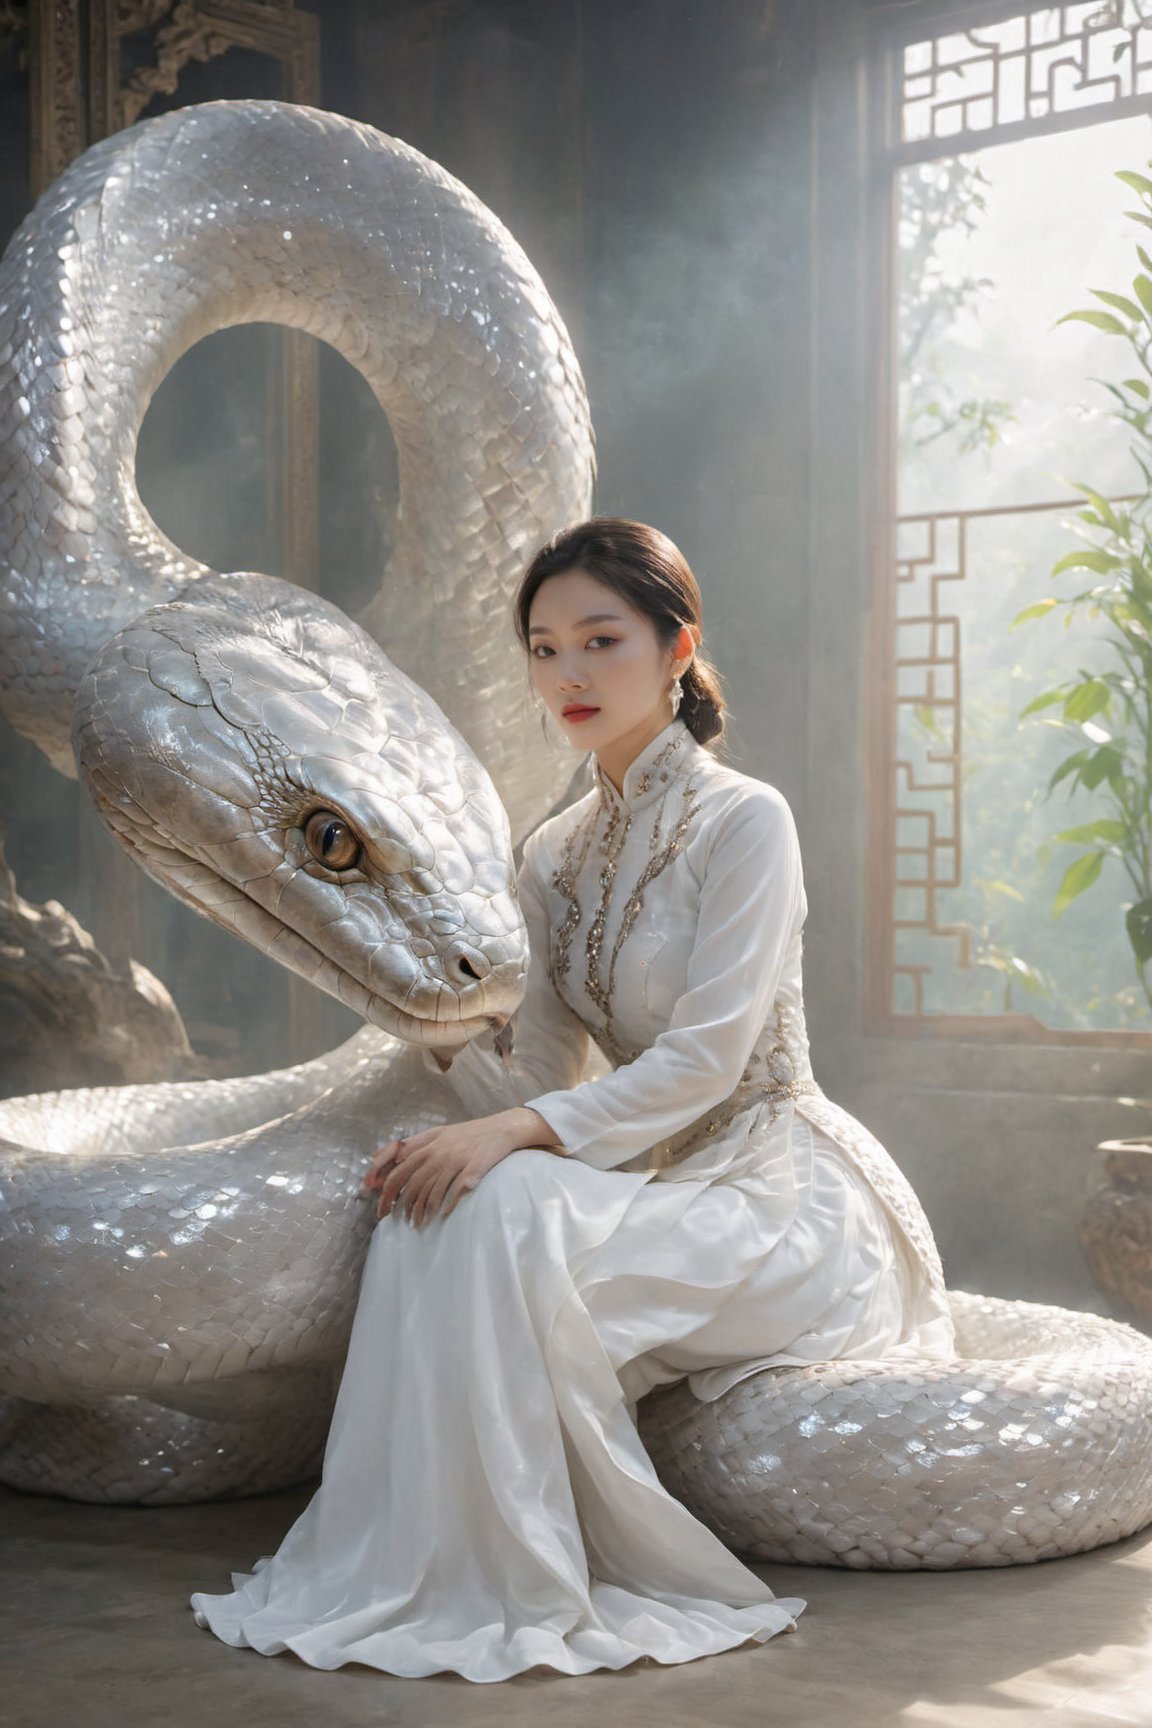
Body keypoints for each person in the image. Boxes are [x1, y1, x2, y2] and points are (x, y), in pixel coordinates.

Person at [190, 517, 955, 1680]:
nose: (570, 675)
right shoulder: (551, 854)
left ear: (676, 646)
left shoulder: (748, 822)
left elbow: (705, 1058)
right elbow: (540, 1076)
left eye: (601, 640)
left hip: (782, 1193)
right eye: (545, 650)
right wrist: (428, 1032)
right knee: (431, 1194)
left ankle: (520, 1578)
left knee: (498, 1199)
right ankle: (424, 1575)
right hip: (657, 1182)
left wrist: (507, 1133)